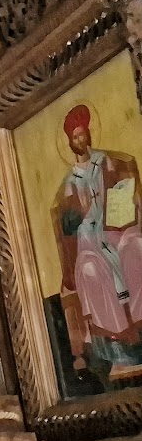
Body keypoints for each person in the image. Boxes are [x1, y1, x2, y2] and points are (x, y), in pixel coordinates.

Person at [54, 103, 142, 370]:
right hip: (89, 237)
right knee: (90, 268)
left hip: (116, 227)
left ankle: (139, 320)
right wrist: (76, 215)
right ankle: (117, 336)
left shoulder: (108, 161)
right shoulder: (70, 182)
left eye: (83, 134)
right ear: (70, 143)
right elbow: (66, 223)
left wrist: (125, 200)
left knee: (135, 245)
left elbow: (127, 191)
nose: (81, 140)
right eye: (75, 137)